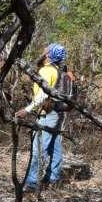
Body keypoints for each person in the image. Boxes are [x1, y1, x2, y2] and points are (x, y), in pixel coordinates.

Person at [15, 43, 67, 191]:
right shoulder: (58, 70)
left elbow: (43, 94)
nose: (43, 50)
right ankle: (54, 178)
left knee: (38, 148)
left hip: (48, 114)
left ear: (49, 55)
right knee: (54, 145)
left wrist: (27, 109)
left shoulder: (47, 71)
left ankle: (31, 183)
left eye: (46, 49)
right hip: (57, 113)